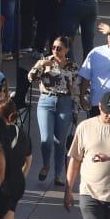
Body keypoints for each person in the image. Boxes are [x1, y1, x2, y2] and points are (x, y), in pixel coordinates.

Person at [29, 36, 79, 184]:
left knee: (60, 142)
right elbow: (30, 78)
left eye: (59, 48)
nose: (55, 50)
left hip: (65, 103)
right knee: (46, 139)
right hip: (46, 101)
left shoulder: (73, 67)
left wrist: (76, 109)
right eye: (53, 47)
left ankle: (58, 175)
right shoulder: (45, 62)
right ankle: (45, 165)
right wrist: (41, 65)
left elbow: (75, 90)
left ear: (67, 50)